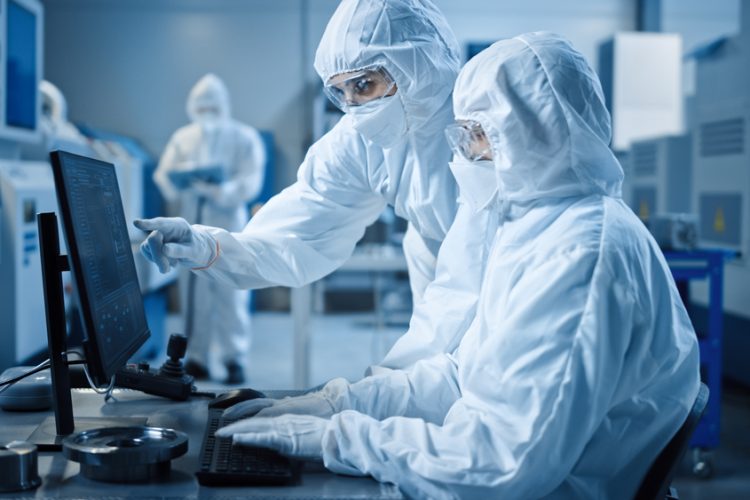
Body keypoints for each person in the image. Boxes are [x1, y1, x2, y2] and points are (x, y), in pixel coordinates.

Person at [214, 33, 701, 499]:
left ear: (534, 133)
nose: (466, 155)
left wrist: (336, 439)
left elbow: (499, 464)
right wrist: (340, 403)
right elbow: (462, 375)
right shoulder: (537, 228)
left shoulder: (580, 257)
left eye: (478, 135)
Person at [135, 0, 468, 373]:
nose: (353, 106)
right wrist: (205, 246)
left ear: (418, 65)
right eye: (341, 92)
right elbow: (299, 232)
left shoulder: (492, 122)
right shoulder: (359, 140)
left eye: (363, 84)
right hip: (437, 302)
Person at [151, 73, 267, 384]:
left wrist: (221, 191)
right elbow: (163, 176)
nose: (207, 114)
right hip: (191, 223)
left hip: (230, 224)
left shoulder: (244, 137)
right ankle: (196, 357)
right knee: (194, 294)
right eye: (201, 108)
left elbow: (251, 181)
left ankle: (234, 359)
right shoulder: (183, 138)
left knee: (231, 292)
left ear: (223, 106)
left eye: (212, 107)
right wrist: (183, 180)